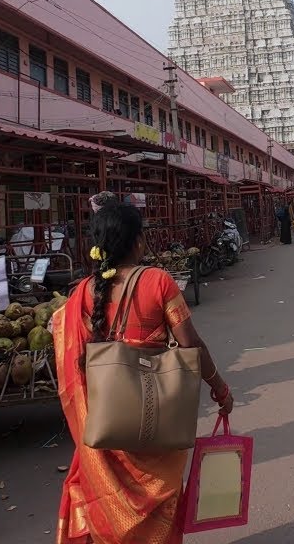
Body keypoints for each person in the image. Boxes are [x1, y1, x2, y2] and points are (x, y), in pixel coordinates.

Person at [53, 204, 233, 544]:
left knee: (105, 501)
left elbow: (71, 355)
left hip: (106, 420)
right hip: (155, 418)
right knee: (160, 501)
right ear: (138, 241)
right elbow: (191, 345)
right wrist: (220, 389)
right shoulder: (158, 281)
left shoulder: (83, 292)